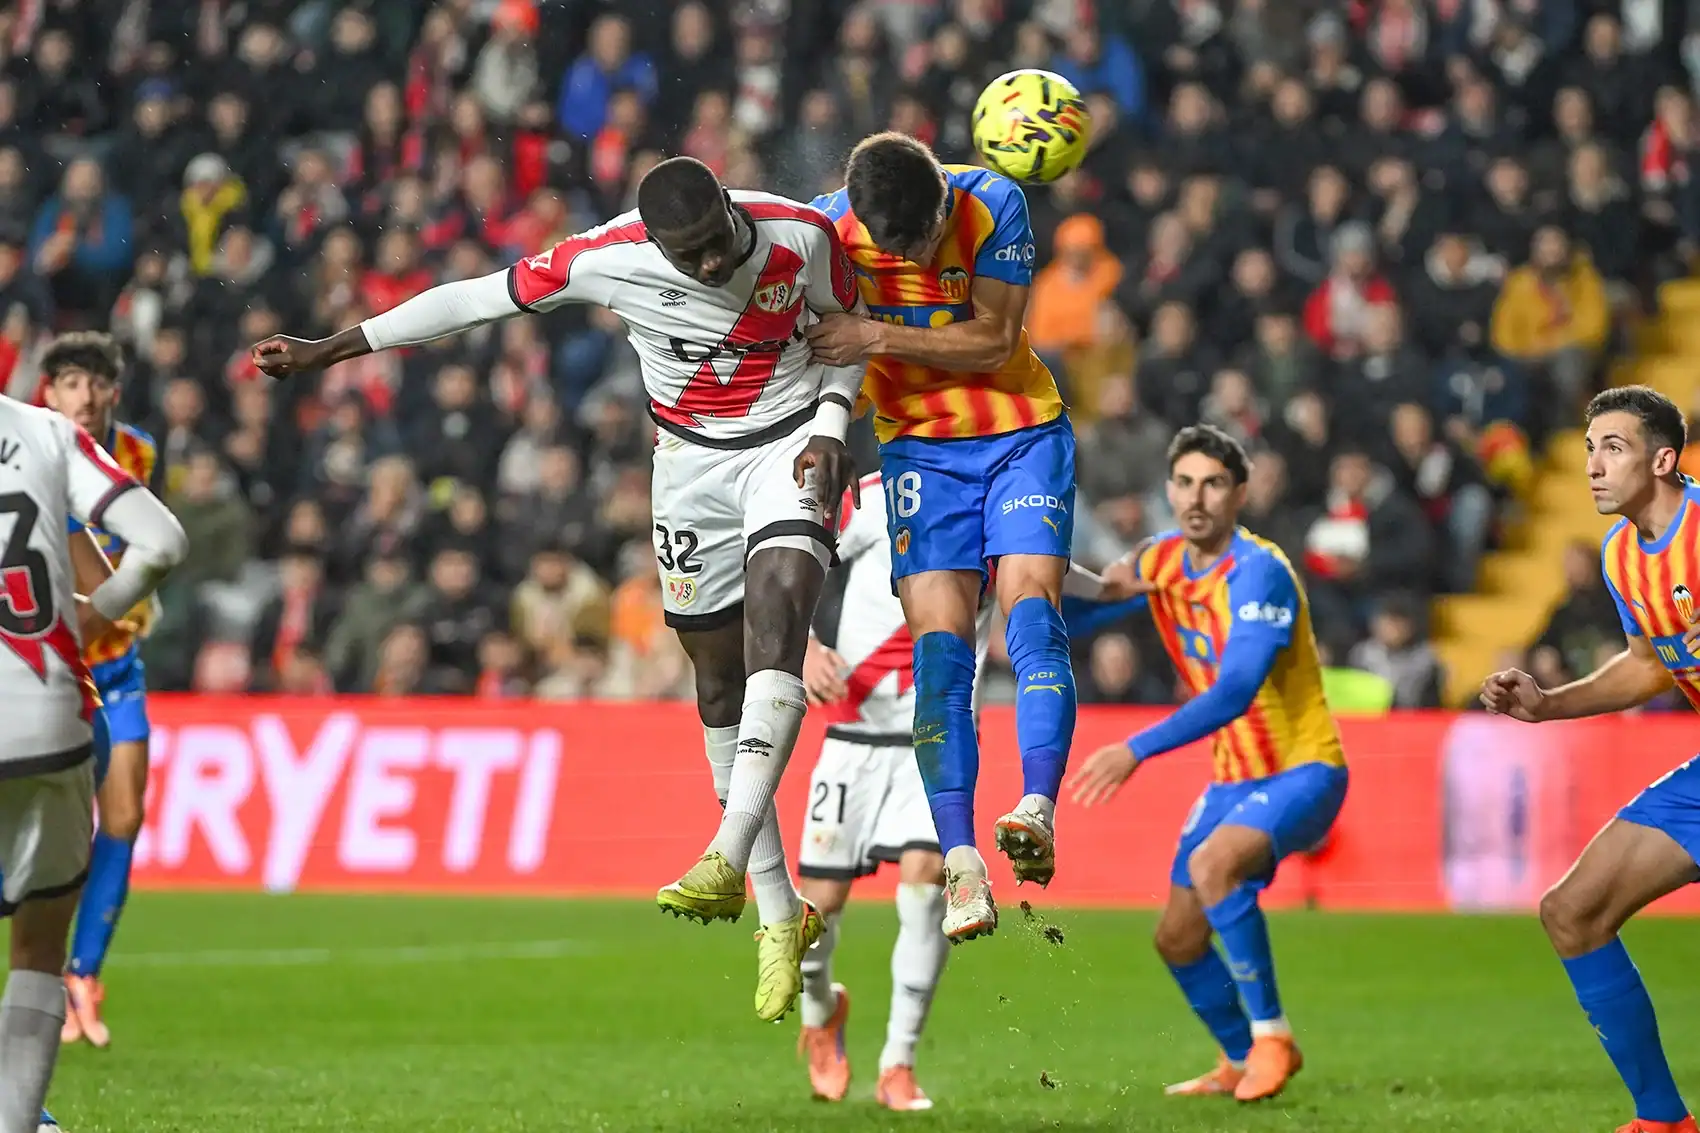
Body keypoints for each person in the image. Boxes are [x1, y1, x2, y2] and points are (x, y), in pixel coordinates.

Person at [251, 156, 863, 1023]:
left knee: (779, 614)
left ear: (733, 210)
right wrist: (333, 349)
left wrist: (835, 422)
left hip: (789, 444)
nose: (715, 266)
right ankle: (778, 911)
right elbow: (469, 298)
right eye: (692, 258)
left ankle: (726, 853)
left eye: (721, 245)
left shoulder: (799, 233)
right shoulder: (603, 257)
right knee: (717, 684)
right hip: (687, 467)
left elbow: (850, 333)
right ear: (656, 245)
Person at [808, 133, 1079, 942]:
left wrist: (879, 336)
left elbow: (993, 341)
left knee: (1031, 609)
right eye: (902, 249)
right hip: (921, 451)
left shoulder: (995, 201)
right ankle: (961, 861)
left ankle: (1037, 804)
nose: (919, 257)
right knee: (941, 649)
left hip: (1023, 432)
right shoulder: (828, 235)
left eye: (927, 239)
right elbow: (816, 350)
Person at [1065, 424, 1349, 1104]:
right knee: (1177, 936)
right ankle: (1239, 1055)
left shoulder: (1261, 573)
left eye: (1215, 484)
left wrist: (1135, 748)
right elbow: (1100, 594)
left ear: (1240, 493)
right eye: (1186, 483)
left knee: (1213, 865)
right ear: (1169, 490)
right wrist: (1021, 578)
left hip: (1303, 768)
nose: (1198, 498)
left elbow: (1234, 690)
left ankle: (1274, 1037)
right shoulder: (1160, 558)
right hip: (1232, 779)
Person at [1481, 386, 1700, 1133]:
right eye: (1589, 449)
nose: (1594, 465)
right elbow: (1648, 665)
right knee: (1573, 911)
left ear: (1663, 458)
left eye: (1614, 447)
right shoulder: (1619, 555)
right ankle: (1663, 1120)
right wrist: (1548, 704)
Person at [0, 393, 186, 1133]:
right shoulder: (47, 432)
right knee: (40, 943)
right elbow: (163, 543)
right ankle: (23, 1121)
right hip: (55, 713)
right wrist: (93, 613)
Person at [795, 470, 989, 1112]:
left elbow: (1057, 578)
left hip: (937, 738)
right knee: (811, 926)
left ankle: (897, 1063)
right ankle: (822, 1014)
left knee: (925, 887)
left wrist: (1134, 585)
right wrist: (805, 646)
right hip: (854, 736)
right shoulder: (877, 494)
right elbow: (794, 555)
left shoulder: (1011, 505)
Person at [37, 332, 163, 1048]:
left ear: (113, 391)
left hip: (115, 665)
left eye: (95, 383)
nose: (84, 396)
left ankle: (83, 975)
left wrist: (138, 591)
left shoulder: (139, 452)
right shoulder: (28, 450)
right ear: (48, 392)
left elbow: (151, 542)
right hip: (49, 665)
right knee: (50, 829)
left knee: (122, 813)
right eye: (69, 382)